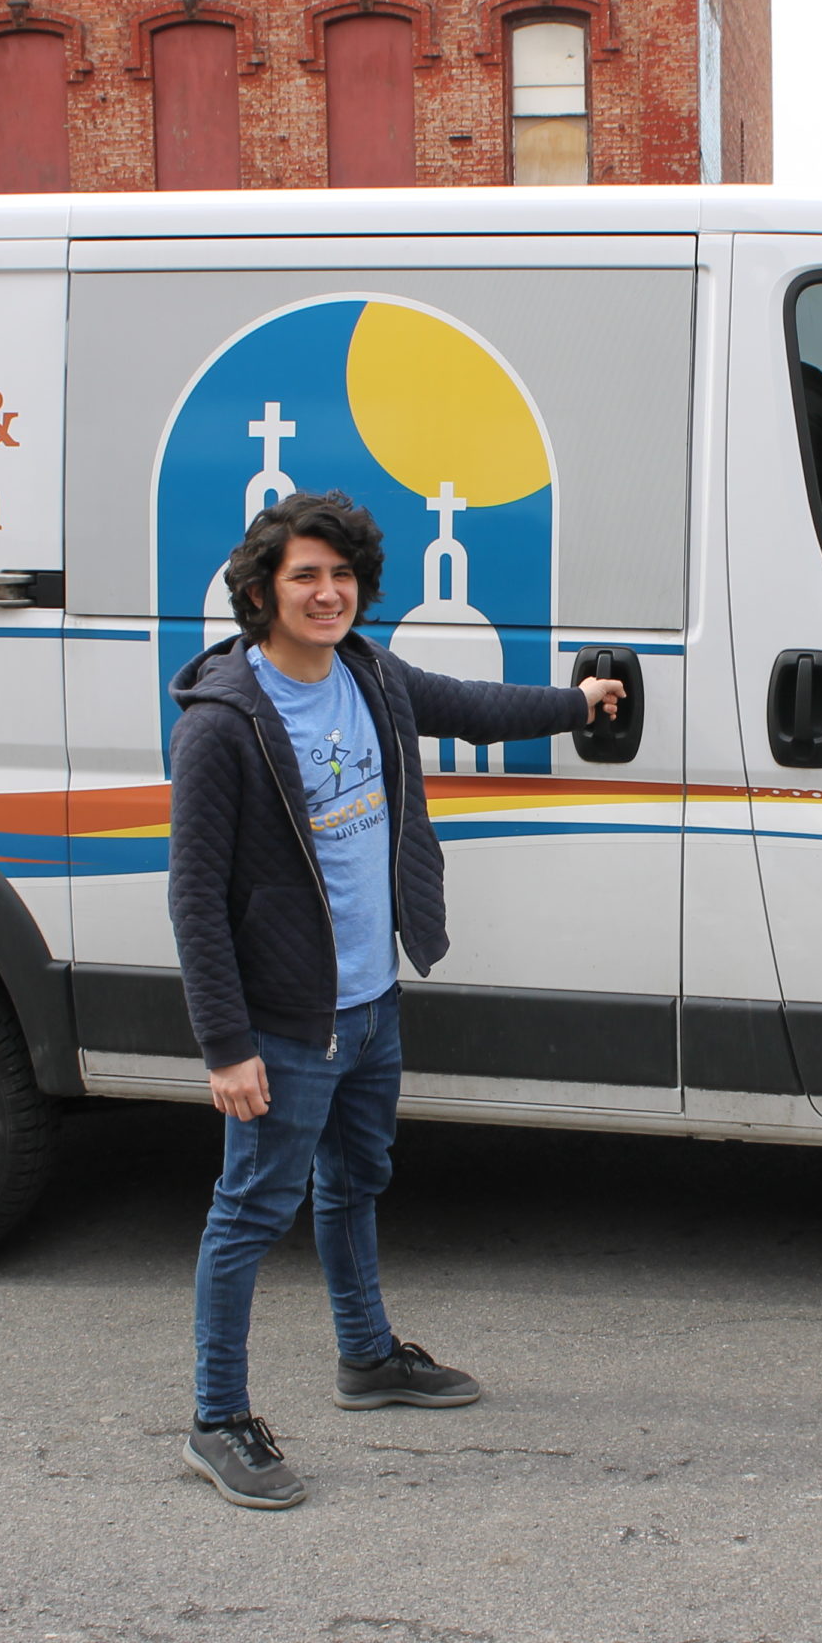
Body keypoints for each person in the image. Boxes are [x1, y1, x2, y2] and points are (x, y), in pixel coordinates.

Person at [166, 490, 625, 1510]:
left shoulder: (368, 675)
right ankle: (215, 1416)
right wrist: (224, 1045)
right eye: (304, 577)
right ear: (260, 592)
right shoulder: (224, 725)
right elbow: (193, 897)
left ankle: (366, 1358)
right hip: (288, 1020)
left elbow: (468, 706)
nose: (327, 594)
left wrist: (576, 700)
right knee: (248, 1213)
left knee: (356, 1181)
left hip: (370, 1001)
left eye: (341, 577)